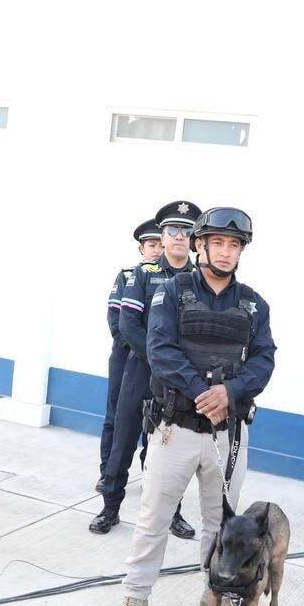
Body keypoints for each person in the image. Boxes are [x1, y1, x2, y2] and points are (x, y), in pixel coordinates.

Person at [112, 207, 276, 606]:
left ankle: (214, 595)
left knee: (221, 523)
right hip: (176, 427)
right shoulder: (171, 292)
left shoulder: (254, 304)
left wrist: (231, 393)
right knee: (154, 517)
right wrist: (204, 392)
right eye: (218, 242)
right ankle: (135, 593)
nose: (225, 252)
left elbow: (263, 360)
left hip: (228, 433)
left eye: (234, 245)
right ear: (200, 245)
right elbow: (161, 350)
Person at [90, 201, 200, 539]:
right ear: (163, 237)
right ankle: (110, 507)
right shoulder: (143, 274)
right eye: (172, 230)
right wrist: (162, 359)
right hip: (141, 370)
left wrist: (179, 369)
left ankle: (174, 513)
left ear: (195, 239)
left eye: (186, 230)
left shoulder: (200, 281)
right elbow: (128, 325)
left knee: (171, 448)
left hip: (179, 380)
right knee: (123, 438)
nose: (179, 236)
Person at [97, 219, 163, 492]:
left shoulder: (176, 278)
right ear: (141, 248)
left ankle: (152, 477)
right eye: (151, 245)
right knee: (116, 417)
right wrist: (147, 351)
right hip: (126, 358)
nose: (157, 249)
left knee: (157, 424)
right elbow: (118, 324)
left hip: (159, 365)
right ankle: (107, 472)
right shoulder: (128, 276)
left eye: (161, 244)